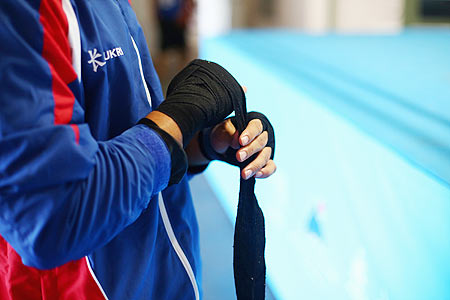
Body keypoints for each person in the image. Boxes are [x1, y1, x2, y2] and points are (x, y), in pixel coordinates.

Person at [0, 1, 275, 299]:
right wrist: (178, 119)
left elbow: (126, 142)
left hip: (164, 278)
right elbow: (51, 216)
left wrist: (203, 144)